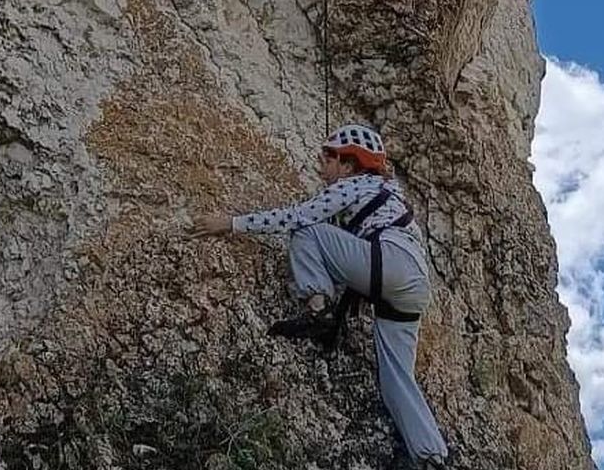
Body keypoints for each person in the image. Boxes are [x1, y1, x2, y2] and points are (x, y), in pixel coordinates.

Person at [192, 123, 448, 468]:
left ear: (349, 165)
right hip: (412, 282)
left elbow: (298, 217)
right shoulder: (386, 190)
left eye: (328, 157)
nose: (320, 164)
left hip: (390, 265)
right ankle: (432, 456)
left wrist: (231, 223)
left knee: (307, 231)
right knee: (396, 378)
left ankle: (319, 312)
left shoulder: (354, 184)